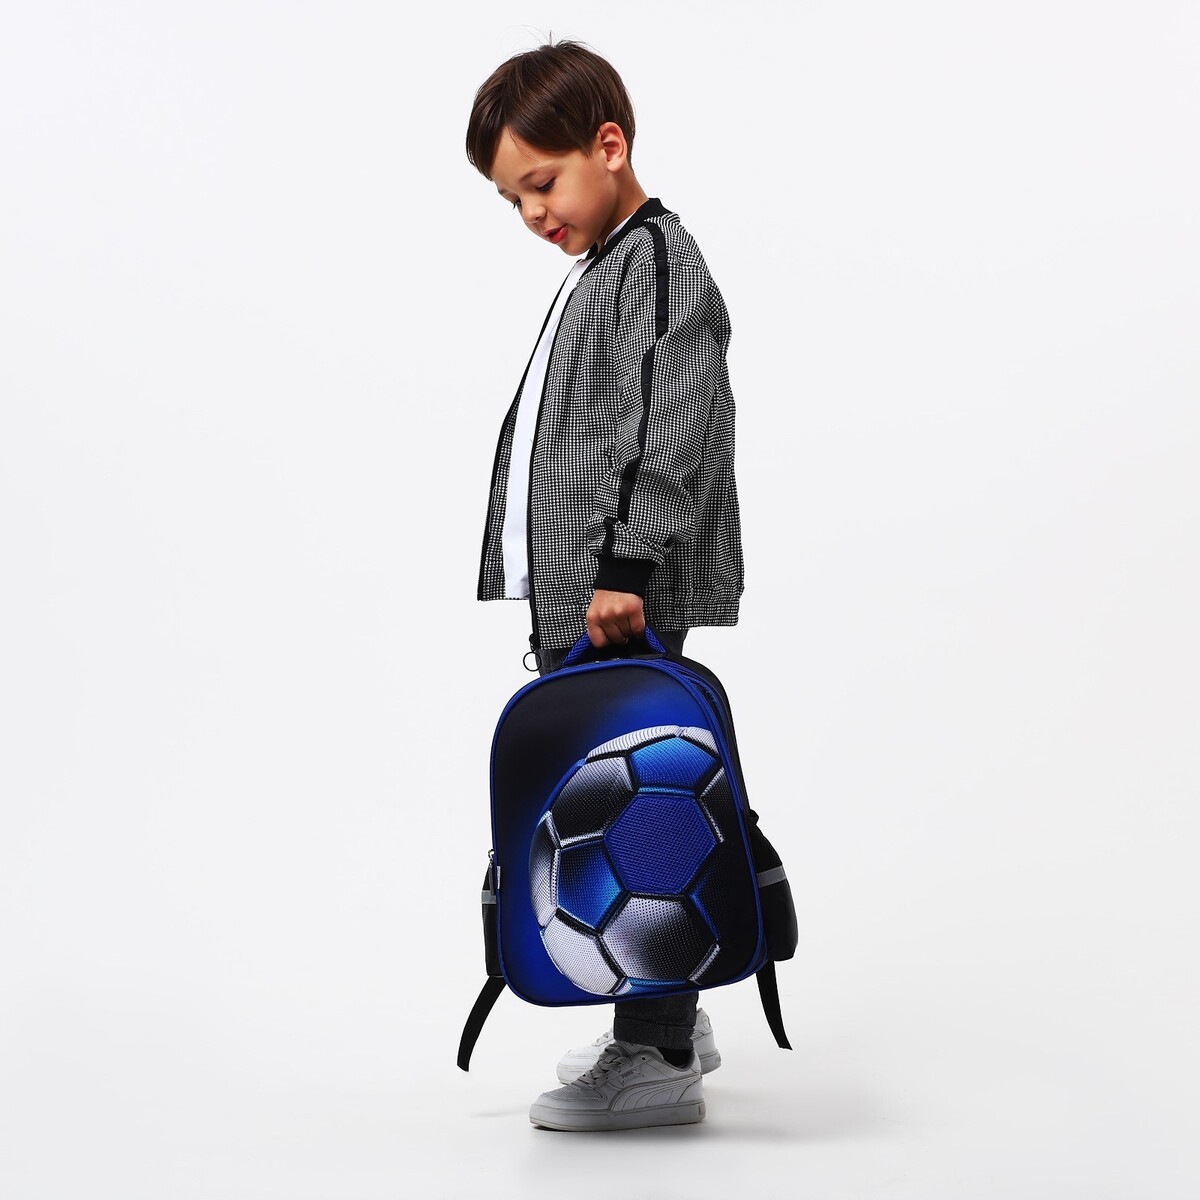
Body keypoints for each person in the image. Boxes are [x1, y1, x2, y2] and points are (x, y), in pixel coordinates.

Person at [465, 39, 745, 1131]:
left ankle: (659, 1050)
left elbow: (673, 420)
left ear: (609, 146)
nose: (532, 213)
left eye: (541, 183)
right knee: (609, 799)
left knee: (640, 813)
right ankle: (668, 1008)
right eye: (512, 200)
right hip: (587, 594)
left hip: (625, 592)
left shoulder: (659, 262)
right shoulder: (603, 267)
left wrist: (626, 566)